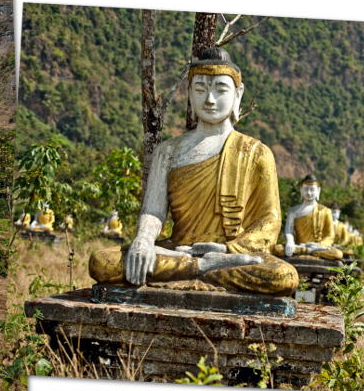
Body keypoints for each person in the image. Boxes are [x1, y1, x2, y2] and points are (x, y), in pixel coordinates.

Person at [89, 49, 298, 296]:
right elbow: (154, 211)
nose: (209, 100)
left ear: (237, 95)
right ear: (190, 93)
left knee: (283, 276)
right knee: (102, 262)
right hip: (179, 250)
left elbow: (270, 221)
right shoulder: (168, 151)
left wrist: (227, 250)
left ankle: (198, 267)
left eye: (220, 90)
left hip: (231, 254)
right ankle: (202, 267)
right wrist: (144, 241)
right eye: (200, 90)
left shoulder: (256, 152)